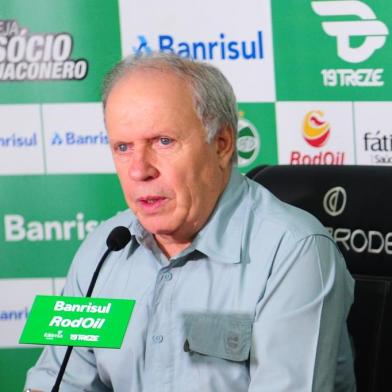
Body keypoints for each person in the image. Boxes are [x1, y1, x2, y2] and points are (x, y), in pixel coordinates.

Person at [25, 52, 356, 391]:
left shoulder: (293, 252)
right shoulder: (103, 248)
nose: (139, 169)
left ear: (222, 144)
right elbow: (57, 381)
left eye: (163, 142)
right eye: (123, 147)